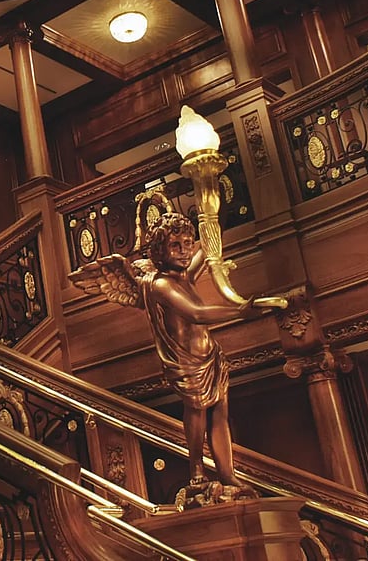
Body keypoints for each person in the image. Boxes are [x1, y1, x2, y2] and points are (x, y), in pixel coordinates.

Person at [69, 195, 284, 505]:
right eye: (175, 246)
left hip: (210, 357)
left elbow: (207, 249)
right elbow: (196, 314)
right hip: (187, 363)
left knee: (220, 415)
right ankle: (196, 471)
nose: (184, 251)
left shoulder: (184, 277)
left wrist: (211, 212)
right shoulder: (160, 285)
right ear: (159, 251)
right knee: (197, 413)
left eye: (186, 244)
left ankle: (227, 474)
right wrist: (240, 311)